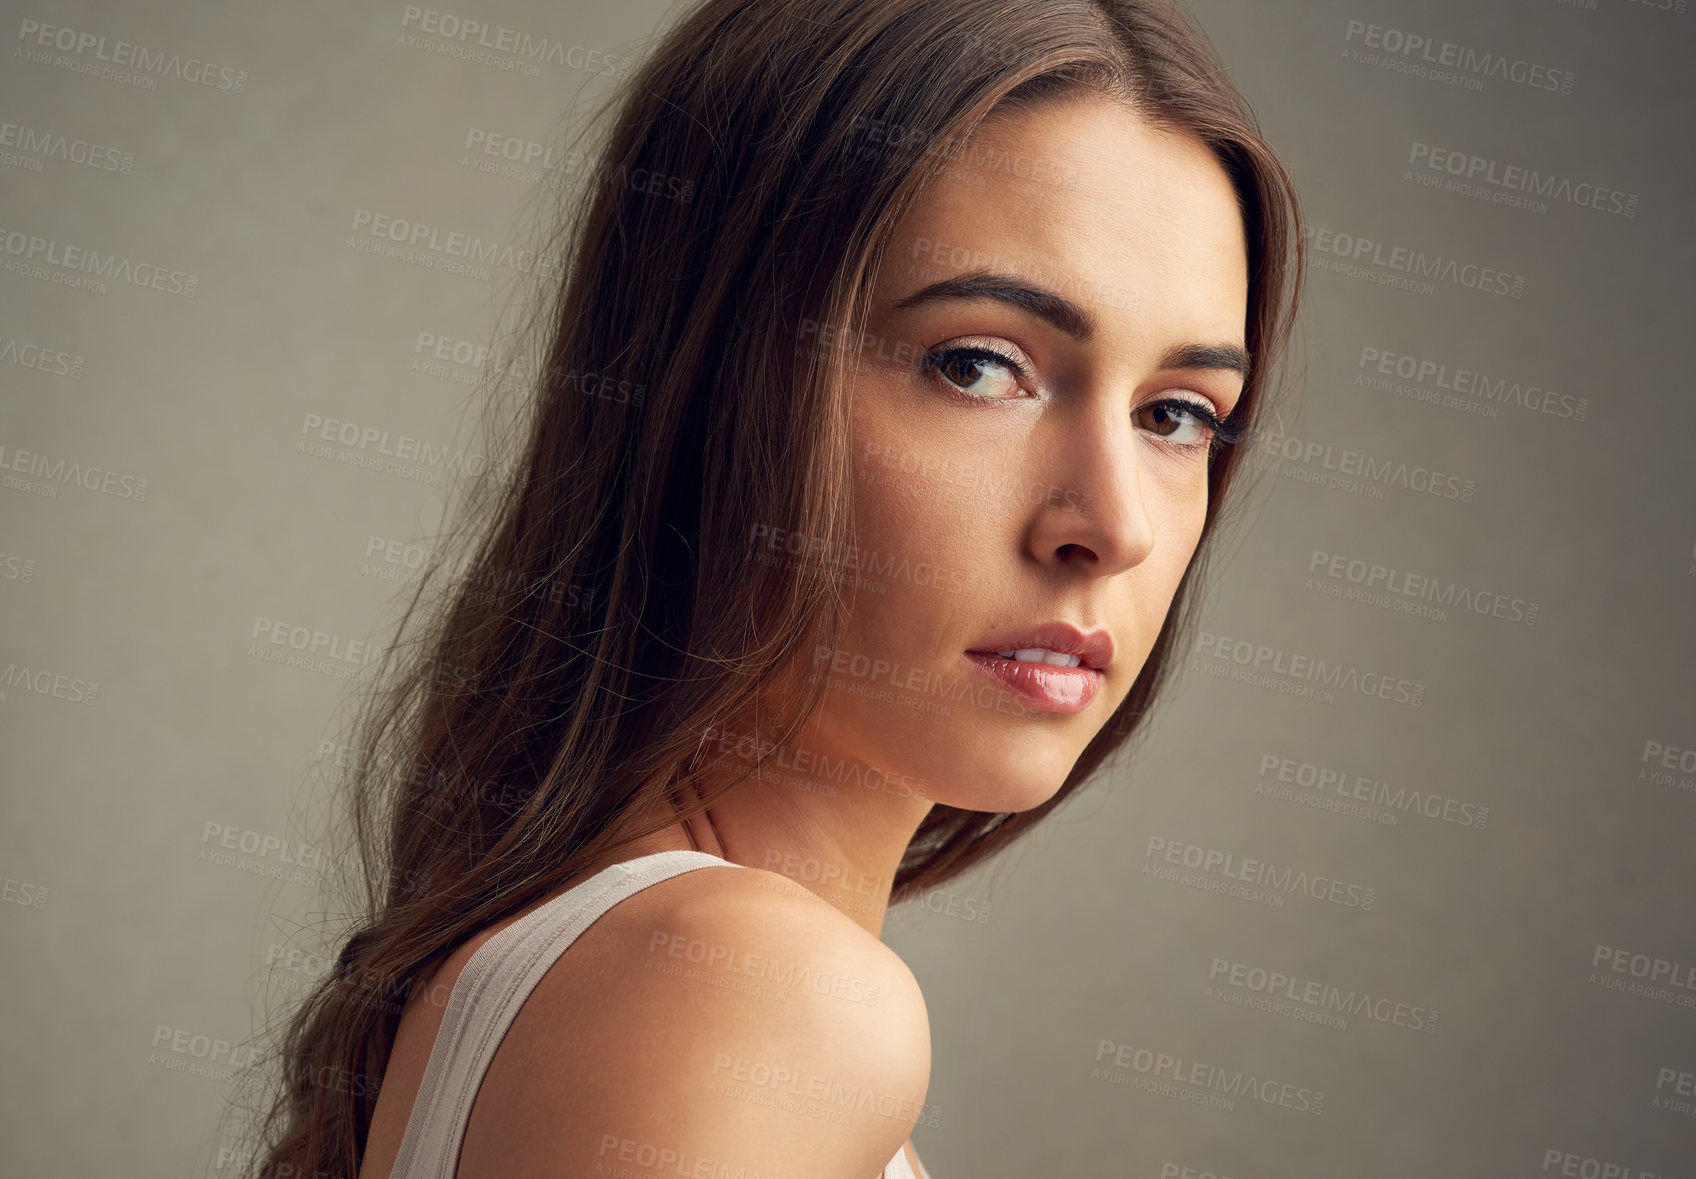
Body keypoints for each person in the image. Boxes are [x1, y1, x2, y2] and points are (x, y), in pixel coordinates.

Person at [241, 0, 1303, 1175]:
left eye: (1175, 415)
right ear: (708, 378)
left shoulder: (602, 961)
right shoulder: (759, 995)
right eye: (976, 365)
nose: (1112, 525)